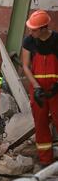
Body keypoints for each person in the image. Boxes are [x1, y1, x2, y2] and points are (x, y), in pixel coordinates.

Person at [22, 10, 58, 168]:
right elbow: (25, 66)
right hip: (38, 90)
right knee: (41, 123)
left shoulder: (57, 40)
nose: (30, 32)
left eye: (33, 29)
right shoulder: (29, 41)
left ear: (44, 28)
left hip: (56, 88)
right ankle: (45, 160)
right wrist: (36, 87)